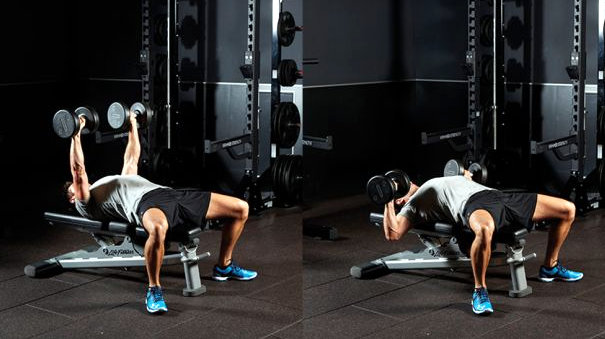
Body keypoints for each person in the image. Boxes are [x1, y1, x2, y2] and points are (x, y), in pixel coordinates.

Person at [64, 114, 257, 314]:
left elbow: (131, 158)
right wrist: (75, 135)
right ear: (72, 198)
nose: (79, 185)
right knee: (157, 229)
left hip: (170, 193)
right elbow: (78, 170)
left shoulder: (109, 183)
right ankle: (154, 289)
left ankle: (223, 266)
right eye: (73, 188)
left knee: (241, 208)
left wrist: (132, 124)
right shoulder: (84, 202)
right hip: (146, 203)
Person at [382, 169, 583, 315]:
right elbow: (393, 233)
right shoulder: (413, 205)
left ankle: (550, 267)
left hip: (500, 196)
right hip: (473, 204)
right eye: (397, 190)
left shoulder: (434, 180)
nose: (403, 186)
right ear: (399, 200)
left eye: (399, 183)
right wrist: (387, 199)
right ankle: (479, 291)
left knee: (567, 210)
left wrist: (464, 173)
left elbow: (466, 176)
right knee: (485, 229)